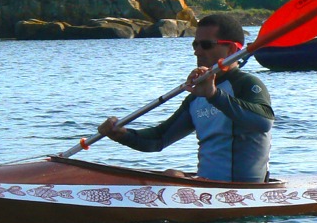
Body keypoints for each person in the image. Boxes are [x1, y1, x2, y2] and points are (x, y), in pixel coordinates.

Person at [97, 13, 274, 183]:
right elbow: (158, 139)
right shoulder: (196, 95)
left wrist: (214, 95)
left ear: (231, 49)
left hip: (244, 191)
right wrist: (122, 135)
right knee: (172, 175)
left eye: (206, 45)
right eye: (195, 45)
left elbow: (264, 122)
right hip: (206, 187)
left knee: (172, 176)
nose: (197, 52)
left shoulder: (246, 84)